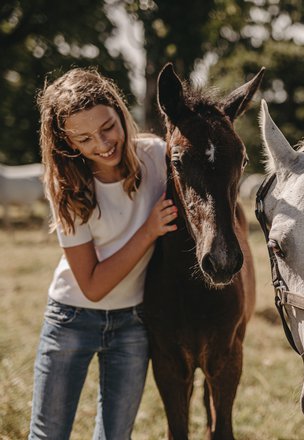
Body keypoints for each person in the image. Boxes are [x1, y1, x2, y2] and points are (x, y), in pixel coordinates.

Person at [29, 67, 177, 439]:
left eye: (107, 127)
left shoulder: (157, 158)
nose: (101, 143)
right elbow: (93, 285)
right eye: (84, 138)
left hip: (133, 323)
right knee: (49, 434)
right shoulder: (66, 187)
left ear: (119, 111)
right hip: (72, 319)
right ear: (67, 143)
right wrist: (148, 232)